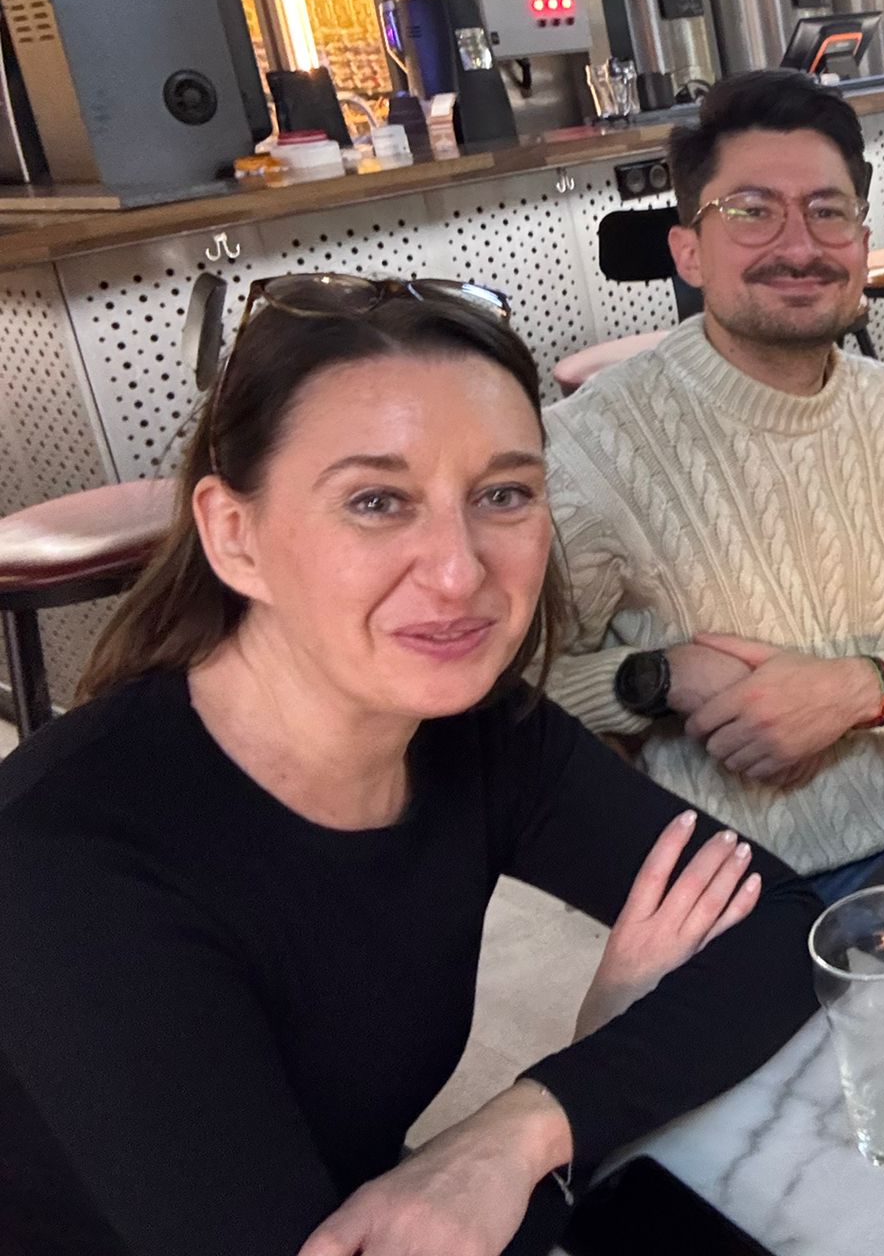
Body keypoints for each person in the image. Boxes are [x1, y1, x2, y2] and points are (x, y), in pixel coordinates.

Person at [0, 278, 820, 1256]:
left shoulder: (474, 730)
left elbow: (781, 927)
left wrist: (522, 1127)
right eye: (377, 501)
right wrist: (582, 1099)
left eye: (502, 494)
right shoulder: (67, 868)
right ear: (234, 534)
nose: (460, 570)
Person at [546, 70, 884, 893]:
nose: (800, 245)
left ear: (862, 241)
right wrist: (659, 676)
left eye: (828, 210)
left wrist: (860, 692)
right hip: (764, 885)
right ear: (688, 252)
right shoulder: (590, 451)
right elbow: (510, 694)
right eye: (752, 211)